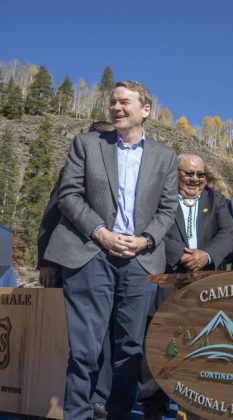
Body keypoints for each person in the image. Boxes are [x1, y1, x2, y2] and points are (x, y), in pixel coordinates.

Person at [43, 81, 178, 418]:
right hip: (90, 254)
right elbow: (68, 196)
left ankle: (117, 414)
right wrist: (101, 233)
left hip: (140, 260)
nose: (116, 108)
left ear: (145, 110)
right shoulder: (87, 144)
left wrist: (146, 239)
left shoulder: (166, 156)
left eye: (124, 102)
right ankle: (77, 414)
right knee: (85, 349)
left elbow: (167, 210)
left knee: (130, 349)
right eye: (112, 102)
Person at [139, 152, 233, 417]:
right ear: (175, 174)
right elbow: (149, 228)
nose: (195, 179)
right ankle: (153, 405)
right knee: (159, 342)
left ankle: (195, 405)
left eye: (200, 174)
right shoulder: (161, 198)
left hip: (206, 285)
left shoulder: (216, 201)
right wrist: (178, 255)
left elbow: (228, 234)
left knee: (202, 345)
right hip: (167, 280)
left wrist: (206, 255)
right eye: (188, 173)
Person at [37, 120, 116, 419]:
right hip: (77, 260)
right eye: (106, 136)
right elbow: (52, 214)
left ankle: (100, 398)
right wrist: (46, 261)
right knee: (83, 339)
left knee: (109, 338)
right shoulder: (76, 167)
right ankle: (75, 401)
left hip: (118, 262)